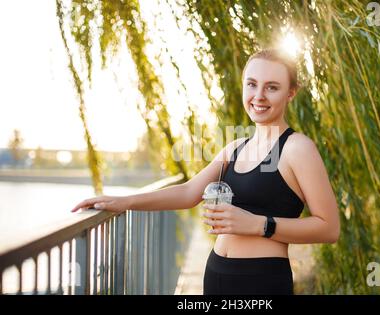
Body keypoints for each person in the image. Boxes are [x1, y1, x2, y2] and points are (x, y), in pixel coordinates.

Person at [70, 48, 340, 295]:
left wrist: (259, 224)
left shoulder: (298, 149)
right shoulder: (236, 148)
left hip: (261, 280)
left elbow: (329, 228)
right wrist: (125, 201)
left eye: (272, 87)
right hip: (216, 273)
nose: (259, 96)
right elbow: (189, 192)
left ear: (291, 93)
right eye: (252, 84)